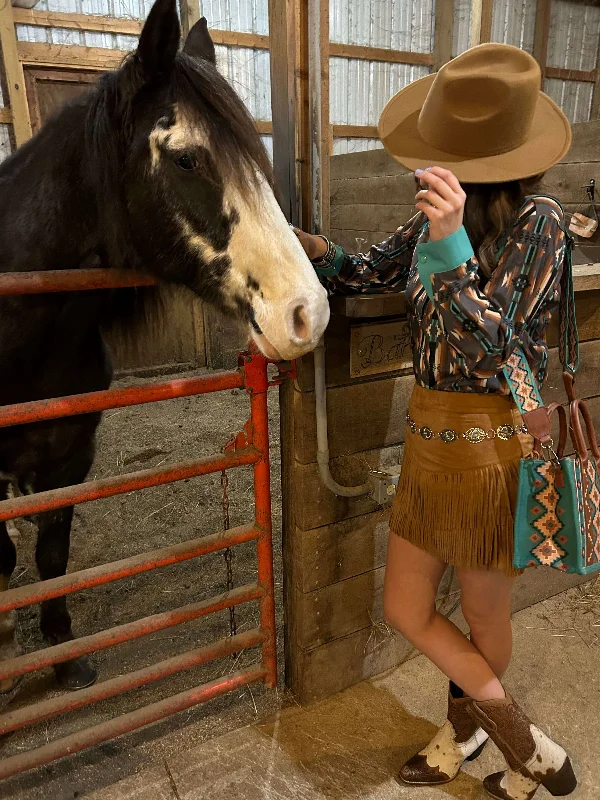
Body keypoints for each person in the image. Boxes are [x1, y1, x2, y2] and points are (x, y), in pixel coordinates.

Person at [294, 44, 577, 800]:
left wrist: (452, 250)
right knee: (407, 607)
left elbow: (497, 353)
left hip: (493, 447)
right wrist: (301, 247)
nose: (424, 164)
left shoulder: (540, 221)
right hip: (428, 441)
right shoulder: (430, 219)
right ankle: (535, 750)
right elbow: (366, 272)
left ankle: (473, 732)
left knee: (484, 615)